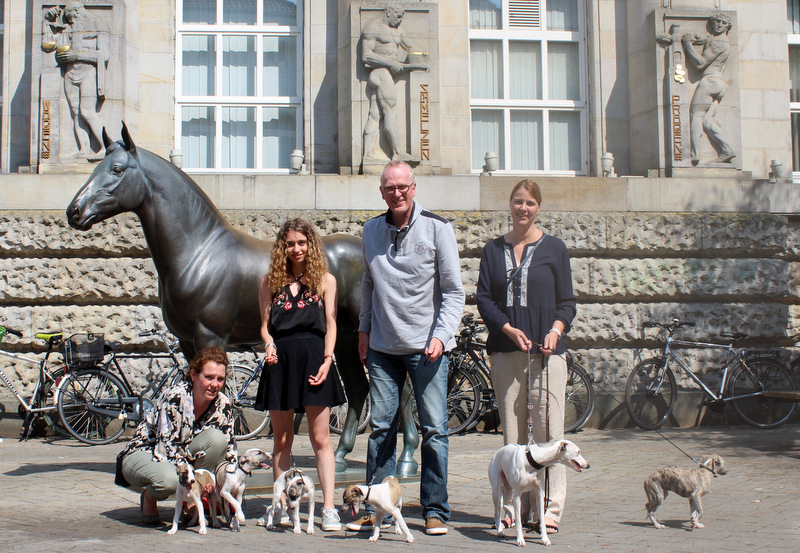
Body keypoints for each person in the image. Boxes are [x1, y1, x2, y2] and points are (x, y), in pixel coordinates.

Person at [351, 160, 465, 536]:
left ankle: (435, 509)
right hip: (383, 347)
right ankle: (376, 507)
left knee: (434, 430)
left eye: (403, 186)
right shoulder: (370, 231)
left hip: (427, 348)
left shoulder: (437, 228)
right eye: (389, 188)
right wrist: (364, 330)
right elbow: (368, 285)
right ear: (381, 192)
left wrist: (441, 335)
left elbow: (453, 292)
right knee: (382, 429)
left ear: (414, 188)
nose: (396, 193)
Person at [476, 180, 577, 535]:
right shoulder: (492, 250)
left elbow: (567, 302)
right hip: (506, 354)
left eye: (530, 203)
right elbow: (484, 299)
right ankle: (509, 509)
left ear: (538, 207)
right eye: (518, 201)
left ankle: (549, 508)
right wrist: (506, 328)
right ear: (510, 205)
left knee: (551, 433)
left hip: (548, 357)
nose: (523, 208)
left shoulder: (554, 249)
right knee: (513, 439)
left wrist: (555, 329)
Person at [255, 218, 345, 532]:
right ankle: (279, 504)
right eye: (290, 243)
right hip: (280, 362)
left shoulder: (325, 280)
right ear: (283, 246)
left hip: (314, 360)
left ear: (311, 245)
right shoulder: (269, 281)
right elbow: (266, 325)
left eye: (302, 243)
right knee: (281, 439)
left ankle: (329, 508)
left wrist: (327, 359)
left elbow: (331, 323)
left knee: (320, 437)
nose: (296, 249)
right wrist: (268, 343)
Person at [117, 346, 237, 525]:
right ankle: (149, 496)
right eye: (209, 377)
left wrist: (227, 479)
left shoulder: (222, 403)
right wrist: (193, 480)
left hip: (183, 455)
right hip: (147, 452)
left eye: (220, 379)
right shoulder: (175, 398)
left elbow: (229, 448)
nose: (215, 384)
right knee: (170, 481)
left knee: (217, 439)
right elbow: (166, 450)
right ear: (194, 375)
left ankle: (191, 500)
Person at [360, 4, 428, 163]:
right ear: (388, 12)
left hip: (387, 73)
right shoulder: (372, 28)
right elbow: (366, 55)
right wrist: (390, 63)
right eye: (397, 16)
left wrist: (423, 56)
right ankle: (397, 152)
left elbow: (411, 46)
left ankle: (368, 153)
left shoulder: (398, 30)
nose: (399, 20)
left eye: (401, 17)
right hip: (380, 73)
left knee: (375, 114)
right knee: (391, 111)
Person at [46, 0, 109, 158]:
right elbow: (51, 44)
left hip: (88, 71)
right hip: (70, 73)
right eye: (68, 20)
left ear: (78, 12)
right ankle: (84, 149)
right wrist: (48, 22)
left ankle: (106, 147)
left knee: (87, 112)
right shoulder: (69, 29)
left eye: (71, 18)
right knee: (76, 113)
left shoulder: (98, 24)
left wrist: (77, 55)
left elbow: (104, 54)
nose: (71, 22)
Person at [681, 13, 736, 165]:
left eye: (723, 22)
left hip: (709, 82)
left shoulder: (718, 43)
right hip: (718, 83)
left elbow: (700, 63)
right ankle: (727, 150)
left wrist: (687, 45)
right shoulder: (719, 40)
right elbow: (706, 39)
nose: (718, 24)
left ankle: (694, 154)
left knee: (696, 115)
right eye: (716, 22)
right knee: (707, 120)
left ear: (727, 26)